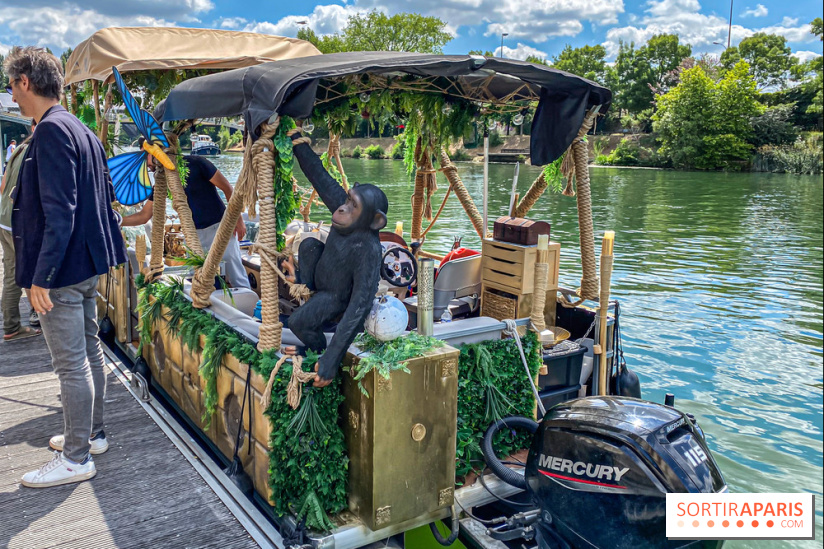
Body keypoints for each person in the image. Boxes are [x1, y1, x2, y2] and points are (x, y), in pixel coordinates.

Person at [5, 46, 127, 488]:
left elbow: (62, 212)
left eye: (12, 85)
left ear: (25, 82)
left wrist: (41, 278)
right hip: (86, 265)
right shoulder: (81, 129)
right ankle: (91, 436)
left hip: (61, 271)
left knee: (70, 364)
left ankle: (76, 458)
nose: (12, 95)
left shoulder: (52, 132)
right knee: (90, 351)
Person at [121, 146, 251, 290]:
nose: (147, 166)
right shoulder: (162, 181)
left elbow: (228, 188)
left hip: (220, 228)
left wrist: (238, 219)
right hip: (193, 237)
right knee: (197, 282)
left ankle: (251, 310)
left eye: (146, 158)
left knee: (236, 274)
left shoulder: (197, 163)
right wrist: (116, 221)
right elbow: (144, 216)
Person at [1, 123, 41, 342]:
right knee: (29, 272)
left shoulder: (18, 149)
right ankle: (24, 320)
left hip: (4, 219)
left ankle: (12, 324)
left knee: (12, 274)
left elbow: (3, 186)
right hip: (17, 223)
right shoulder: (36, 151)